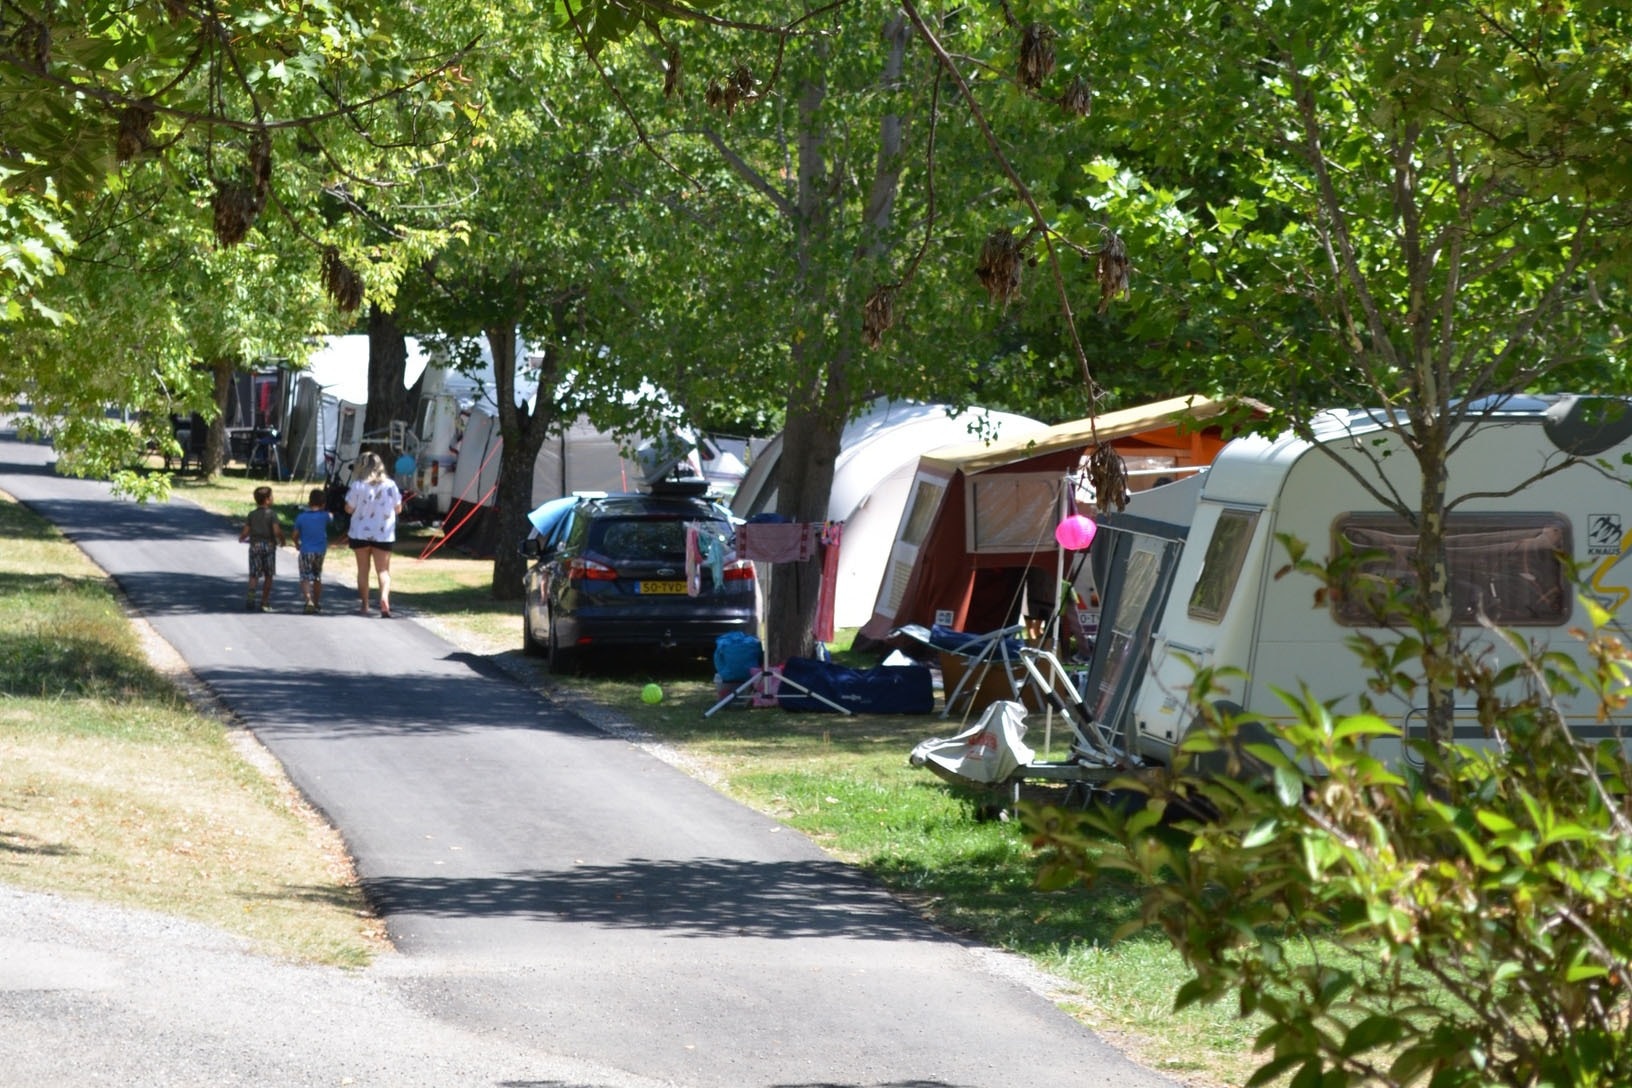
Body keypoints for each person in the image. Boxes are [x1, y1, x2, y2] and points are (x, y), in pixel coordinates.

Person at [344, 451, 403, 617]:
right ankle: (384, 598)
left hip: (359, 533)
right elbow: (398, 508)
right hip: (383, 534)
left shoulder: (357, 485)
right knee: (383, 570)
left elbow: (349, 508)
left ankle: (364, 605)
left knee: (363, 570)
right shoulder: (390, 485)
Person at [237, 485, 285, 612]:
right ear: (268, 500)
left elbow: (246, 531)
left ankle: (251, 595)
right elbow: (276, 531)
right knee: (268, 575)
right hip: (269, 546)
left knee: (254, 574)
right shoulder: (272, 514)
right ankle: (264, 601)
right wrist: (282, 539)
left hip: (255, 546)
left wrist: (242, 537)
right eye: (272, 496)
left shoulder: (252, 514)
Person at [290, 487, 333, 614]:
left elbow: (294, 535)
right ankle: (317, 602)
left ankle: (308, 600)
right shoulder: (325, 516)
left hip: (306, 550)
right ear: (323, 503)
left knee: (305, 577)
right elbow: (331, 517)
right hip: (320, 551)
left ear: (309, 502)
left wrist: (297, 544)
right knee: (317, 576)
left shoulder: (301, 517)